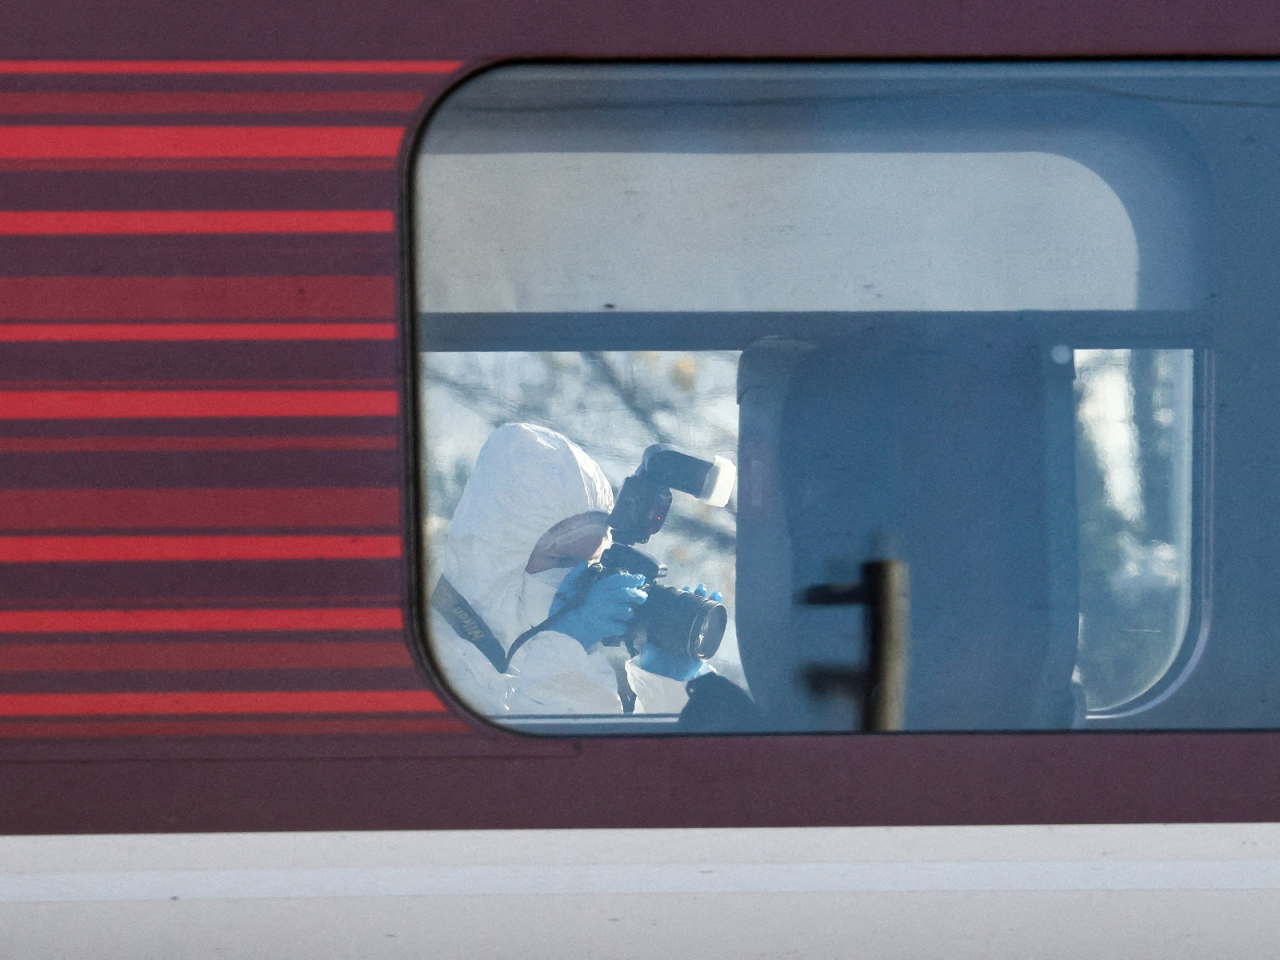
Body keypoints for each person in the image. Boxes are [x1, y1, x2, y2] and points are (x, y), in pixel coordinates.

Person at [429, 422, 712, 717]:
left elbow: (640, 763)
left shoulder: (531, 664)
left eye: (593, 564)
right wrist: (567, 650)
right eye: (563, 561)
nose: (582, 582)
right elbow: (562, 757)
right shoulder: (434, 669)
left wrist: (668, 692)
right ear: (497, 558)